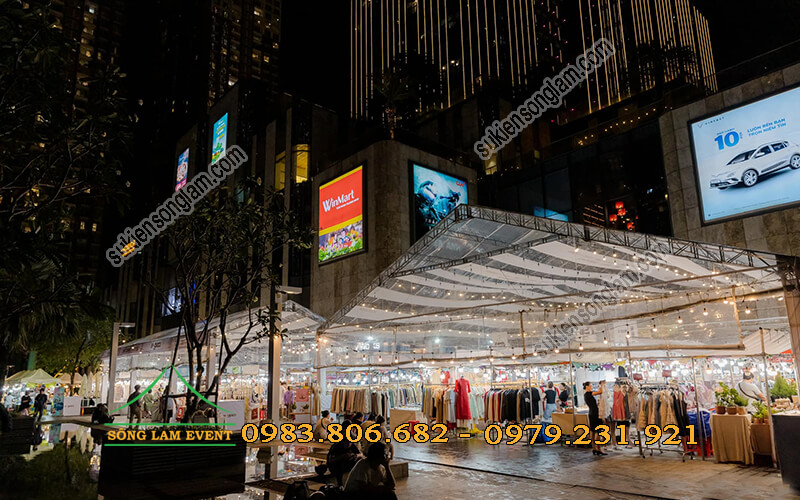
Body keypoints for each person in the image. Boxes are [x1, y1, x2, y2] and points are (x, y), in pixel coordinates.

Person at [326, 419, 362, 486]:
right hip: (336, 465)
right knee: (340, 464)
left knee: (359, 461)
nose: (349, 444)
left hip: (347, 464)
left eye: (350, 442)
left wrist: (355, 456)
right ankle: (340, 484)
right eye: (347, 442)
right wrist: (343, 456)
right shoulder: (337, 446)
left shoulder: (352, 445)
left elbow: (360, 454)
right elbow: (331, 460)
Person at [584, 381, 606, 456]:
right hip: (595, 413)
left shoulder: (585, 395)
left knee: (593, 431)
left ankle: (594, 447)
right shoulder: (589, 394)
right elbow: (600, 392)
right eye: (590, 385)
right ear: (587, 386)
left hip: (591, 413)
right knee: (598, 431)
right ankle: (599, 448)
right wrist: (601, 385)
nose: (592, 387)